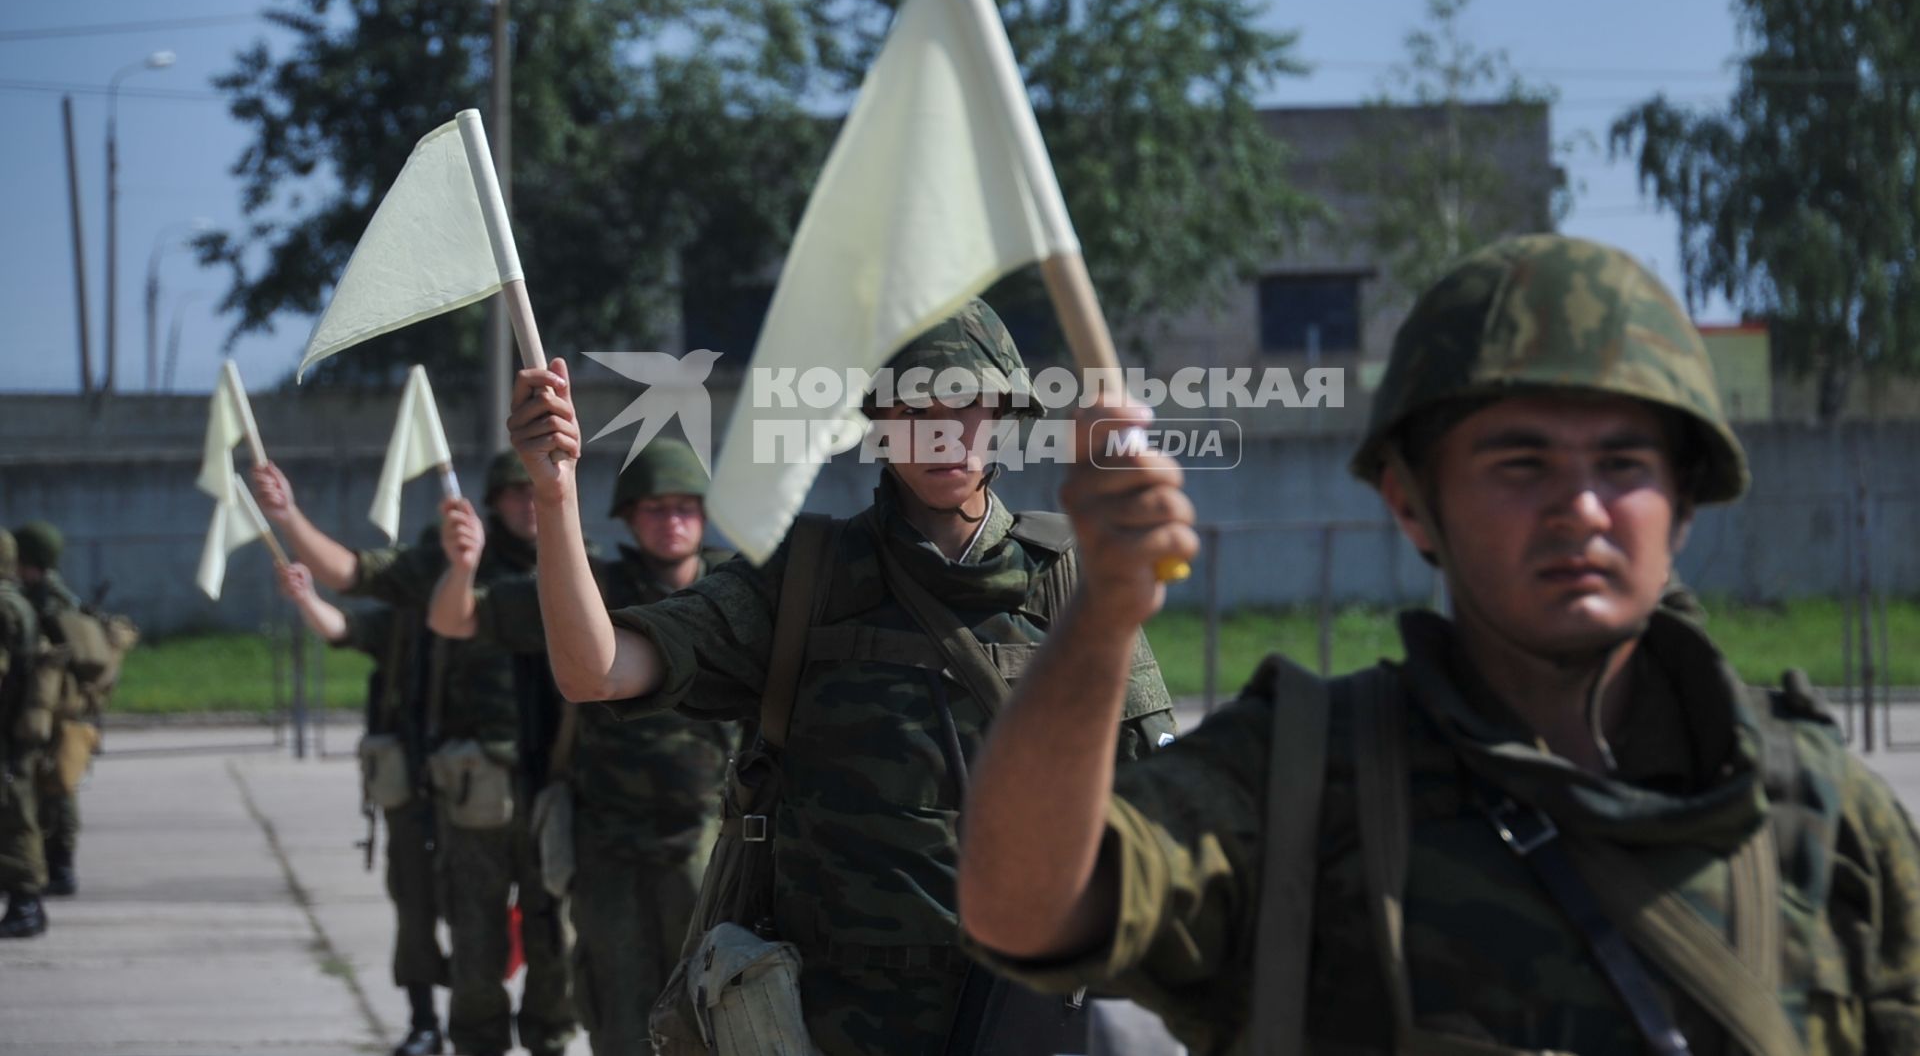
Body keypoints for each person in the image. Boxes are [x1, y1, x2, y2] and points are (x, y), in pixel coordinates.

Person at [956, 234, 1920, 1054]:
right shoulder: (1299, 783)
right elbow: (1027, 906)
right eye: (1520, 461)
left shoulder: (1822, 815)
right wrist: (1102, 613)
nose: (1580, 507)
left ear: (1685, 503)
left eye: (1623, 463)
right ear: (1412, 502)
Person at [502, 299, 1178, 1055]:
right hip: (835, 1020)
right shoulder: (806, 579)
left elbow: (1162, 817)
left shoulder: (1069, 584)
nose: (943, 431)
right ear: (880, 422)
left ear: (1003, 411)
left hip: (1017, 1013)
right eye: (914, 407)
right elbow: (595, 669)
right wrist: (555, 494)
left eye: (966, 404)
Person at [253, 454, 576, 1056]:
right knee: (474, 935)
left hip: (557, 785)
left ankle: (550, 1041)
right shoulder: (447, 564)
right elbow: (351, 575)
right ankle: (465, 1036)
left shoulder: (576, 563)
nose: (528, 506)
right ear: (495, 502)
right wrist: (288, 516)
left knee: (554, 934)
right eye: (514, 494)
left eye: (535, 493)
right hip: (473, 786)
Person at [428, 440, 737, 1056]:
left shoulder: (738, 594)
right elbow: (454, 620)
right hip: (607, 844)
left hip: (711, 844)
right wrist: (462, 567)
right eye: (654, 508)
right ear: (627, 515)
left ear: (704, 515)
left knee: (716, 1013)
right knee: (618, 1008)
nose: (671, 521)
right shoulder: (591, 587)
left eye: (684, 507)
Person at [275, 554, 448, 1056]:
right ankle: (424, 1021)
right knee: (415, 904)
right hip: (415, 787)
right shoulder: (403, 623)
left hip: (490, 789)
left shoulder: (500, 612)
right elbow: (343, 628)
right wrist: (307, 597)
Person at [16, 521, 91, 898]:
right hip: (60, 705)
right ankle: (57, 865)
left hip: (55, 706)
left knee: (56, 786)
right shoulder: (49, 594)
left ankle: (60, 868)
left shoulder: (46, 601)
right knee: (56, 785)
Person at [0, 530, 50, 938]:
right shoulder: (16, 600)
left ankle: (25, 905)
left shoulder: (3, 606)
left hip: (7, 724)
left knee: (13, 815)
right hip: (17, 722)